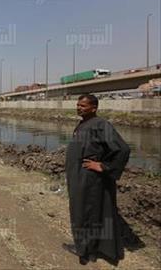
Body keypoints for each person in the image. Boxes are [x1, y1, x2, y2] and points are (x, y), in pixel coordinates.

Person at [64, 94, 130, 265]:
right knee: (80, 210)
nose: (79, 108)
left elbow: (122, 149)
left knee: (86, 212)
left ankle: (85, 250)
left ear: (94, 108)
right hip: (78, 176)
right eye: (78, 105)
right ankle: (87, 247)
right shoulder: (84, 123)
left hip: (89, 178)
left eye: (83, 106)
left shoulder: (101, 124)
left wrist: (103, 166)